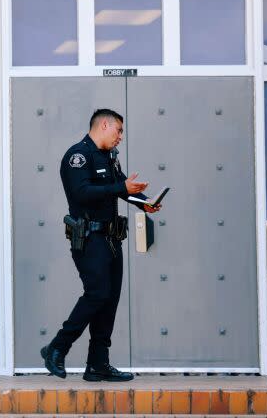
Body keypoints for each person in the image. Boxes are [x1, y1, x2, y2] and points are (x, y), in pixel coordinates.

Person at [41, 108, 161, 382]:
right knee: (96, 294)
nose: (121, 137)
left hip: (111, 238)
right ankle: (57, 347)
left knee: (109, 300)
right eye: (119, 130)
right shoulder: (77, 156)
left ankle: (97, 364)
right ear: (105, 125)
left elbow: (120, 187)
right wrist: (122, 189)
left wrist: (145, 203)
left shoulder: (108, 157)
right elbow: (82, 194)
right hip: (89, 238)